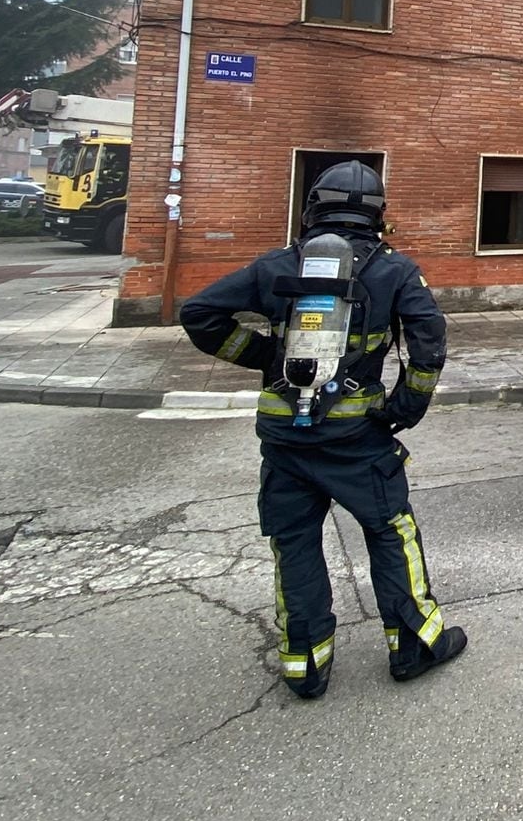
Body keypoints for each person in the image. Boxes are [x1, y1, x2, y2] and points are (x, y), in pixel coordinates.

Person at [179, 160, 466, 700]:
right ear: (379, 215)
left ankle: (306, 664)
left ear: (314, 206)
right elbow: (429, 339)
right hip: (358, 439)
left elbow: (199, 313)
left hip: (285, 440)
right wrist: (408, 403)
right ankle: (413, 645)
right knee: (390, 532)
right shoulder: (394, 270)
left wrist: (266, 355)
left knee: (294, 543)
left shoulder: (278, 265)